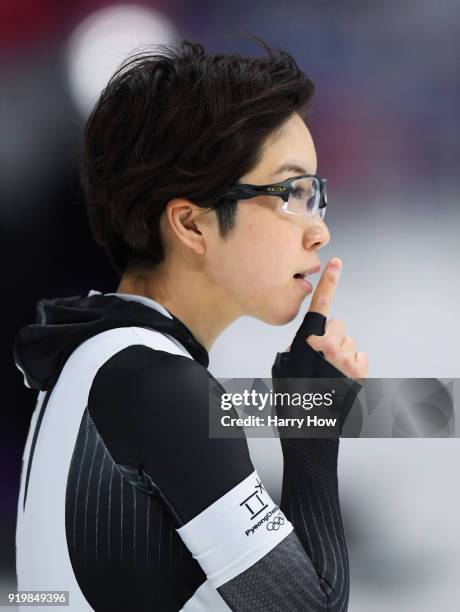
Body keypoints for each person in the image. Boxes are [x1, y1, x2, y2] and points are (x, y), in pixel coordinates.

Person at [14, 39, 367, 611]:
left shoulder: (96, 358)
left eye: (316, 196)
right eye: (290, 193)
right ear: (192, 225)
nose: (318, 231)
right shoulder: (155, 384)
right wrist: (312, 421)